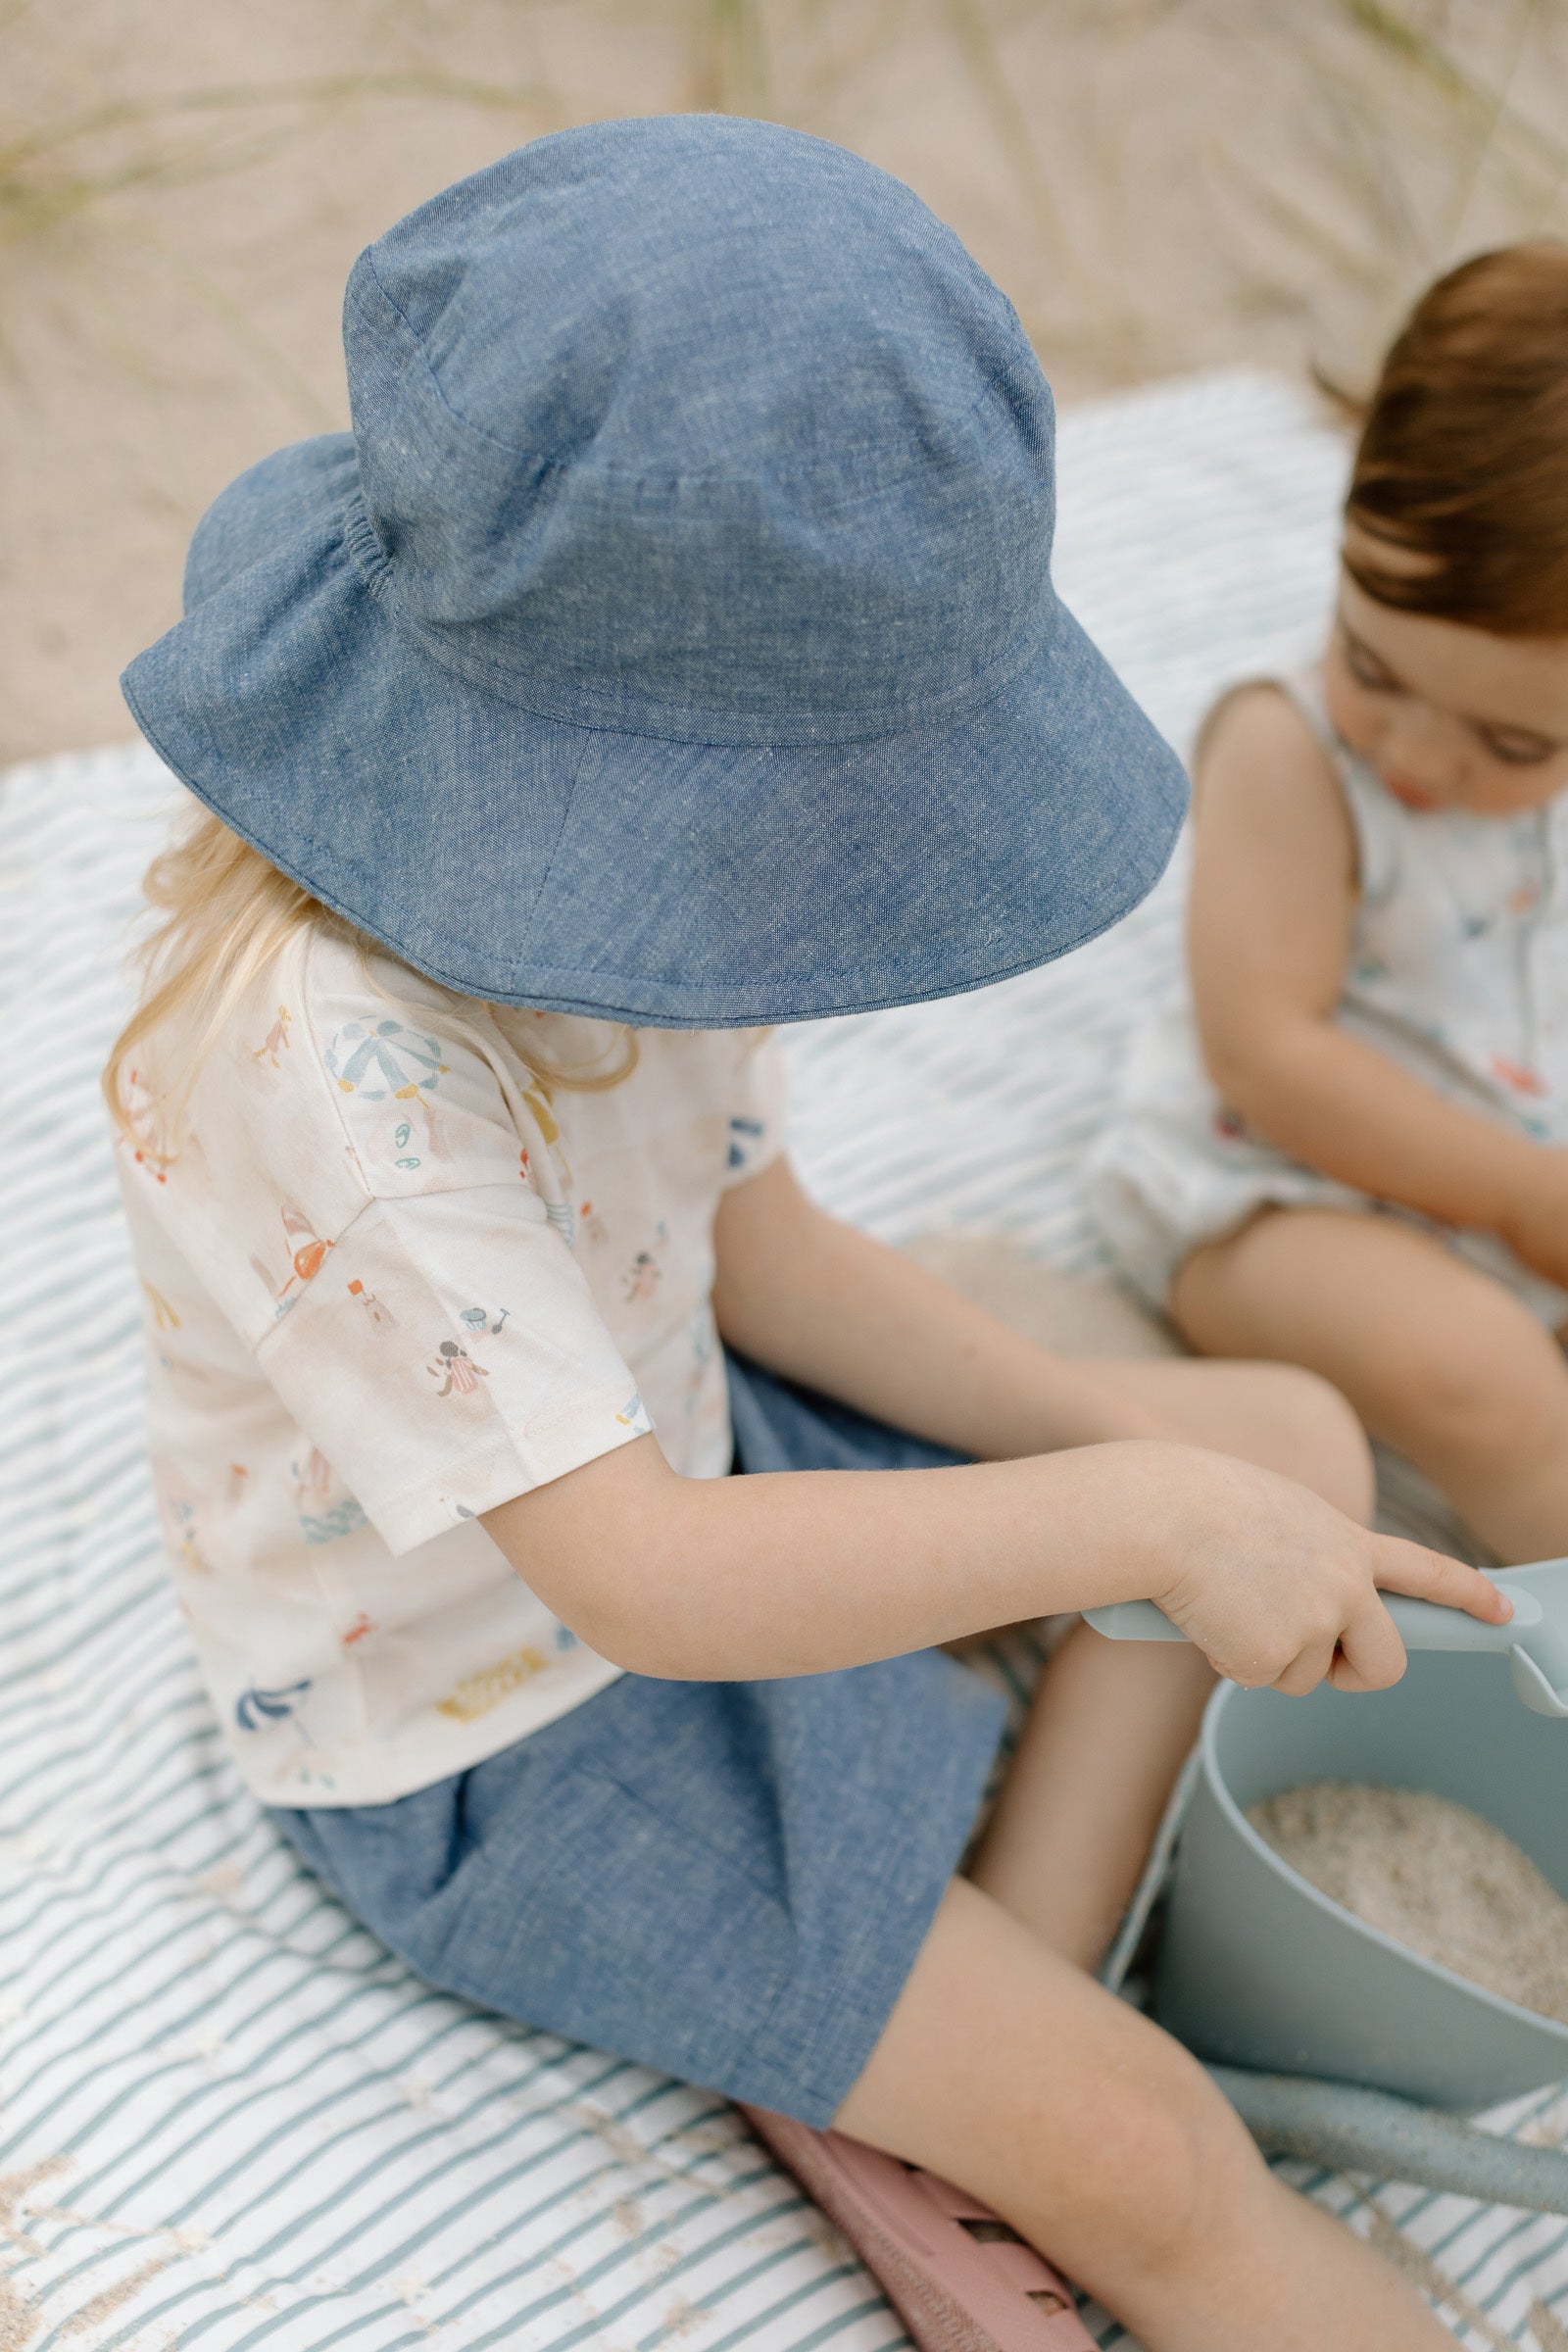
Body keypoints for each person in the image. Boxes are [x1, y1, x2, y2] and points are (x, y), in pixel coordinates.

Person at [107, 118, 1499, 2352]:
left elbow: (767, 1262)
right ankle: (968, 2071)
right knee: (1146, 2164)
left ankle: (951, 2033)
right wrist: (1121, 1511)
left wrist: (1152, 1468)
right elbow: (639, 1584)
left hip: (692, 1438)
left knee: (1287, 1439)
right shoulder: (339, 1069)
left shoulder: (617, 900)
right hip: (500, 1716)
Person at [1092, 243, 1568, 1573]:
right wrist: (1529, 1199)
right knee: (1487, 1379)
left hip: (1511, 1158)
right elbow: (1270, 1055)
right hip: (1273, 1193)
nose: (1415, 754)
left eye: (1511, 746)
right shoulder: (1291, 752)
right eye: (1374, 662)